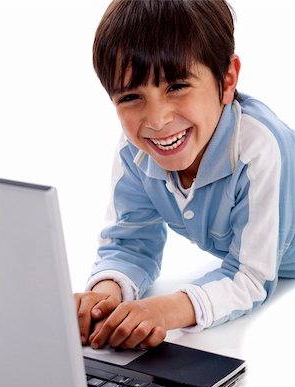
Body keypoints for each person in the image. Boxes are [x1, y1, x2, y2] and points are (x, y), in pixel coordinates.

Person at [75, 0, 295, 351]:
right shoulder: (136, 150)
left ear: (227, 80)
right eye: (132, 96)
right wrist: (104, 297)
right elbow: (130, 243)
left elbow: (251, 277)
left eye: (176, 87)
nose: (157, 121)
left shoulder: (259, 149)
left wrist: (163, 311)